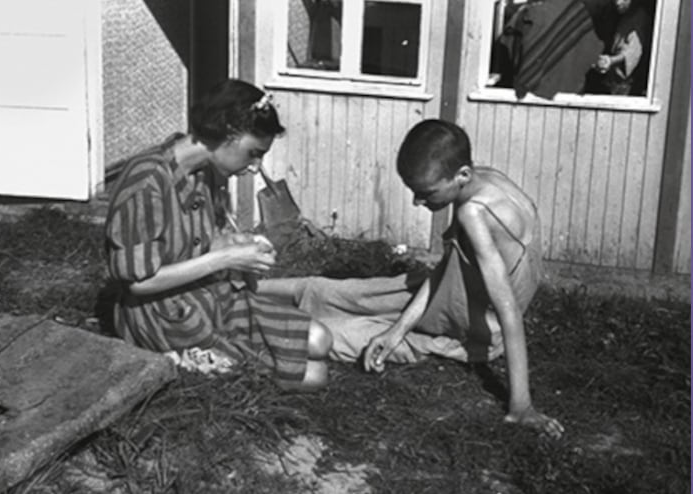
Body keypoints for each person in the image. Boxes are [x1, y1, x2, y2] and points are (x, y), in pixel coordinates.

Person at [259, 119, 564, 438]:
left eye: (425, 193)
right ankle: (234, 287)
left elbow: (509, 312)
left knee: (338, 331)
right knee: (331, 290)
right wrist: (396, 331)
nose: (418, 202)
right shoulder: (486, 178)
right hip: (450, 290)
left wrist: (522, 406)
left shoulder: (474, 213)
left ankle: (237, 322)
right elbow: (449, 266)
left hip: (474, 329)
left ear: (461, 175)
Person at [104, 79, 332, 392]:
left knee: (321, 339)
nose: (255, 167)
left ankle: (227, 353)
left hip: (211, 298)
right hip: (163, 315)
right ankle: (178, 359)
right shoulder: (147, 183)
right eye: (253, 153)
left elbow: (202, 241)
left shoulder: (207, 173)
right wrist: (224, 257)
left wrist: (237, 245)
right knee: (315, 376)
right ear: (227, 132)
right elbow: (139, 282)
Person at [589, 0, 651, 95]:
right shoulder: (624, 17)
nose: (617, 3)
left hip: (625, 87)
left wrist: (611, 60)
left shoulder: (639, 18)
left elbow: (632, 52)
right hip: (612, 81)